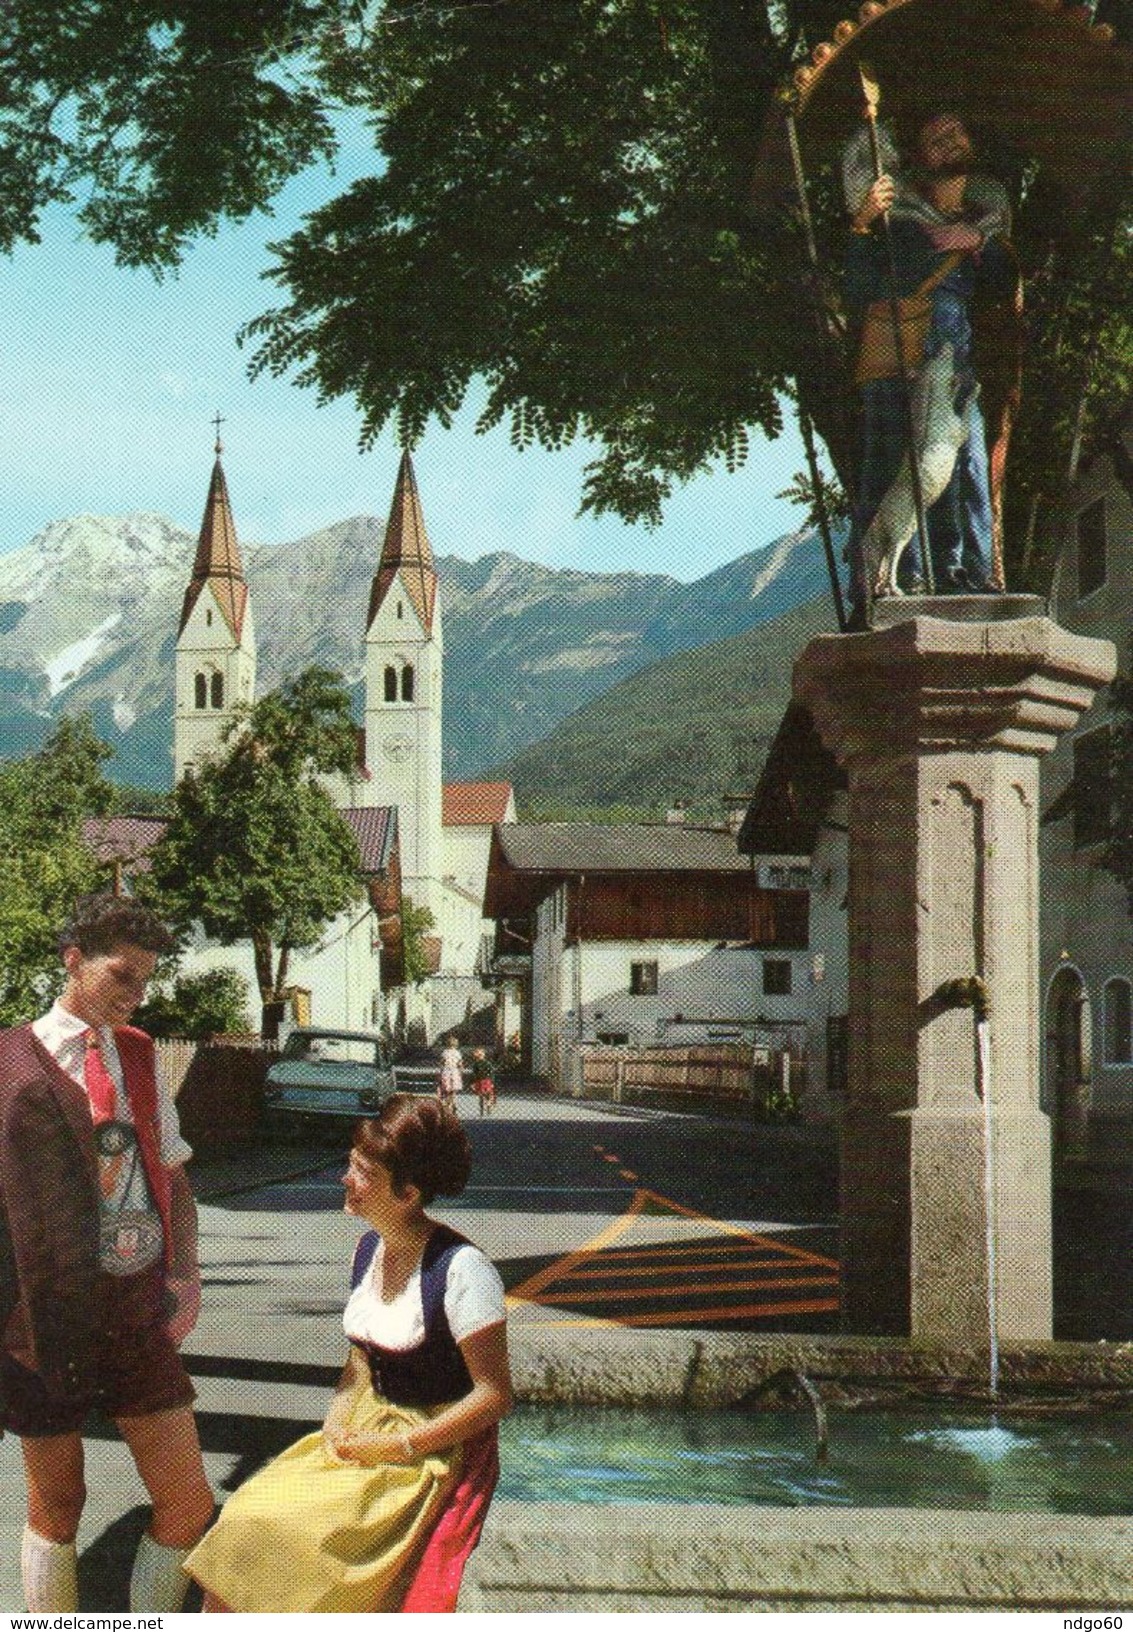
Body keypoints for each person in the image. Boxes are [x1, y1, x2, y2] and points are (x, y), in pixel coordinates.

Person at [185, 1095, 511, 1612]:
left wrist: (402, 1445)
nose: (345, 1179)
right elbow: (359, 1362)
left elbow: (494, 1397)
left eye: (363, 1172)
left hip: (431, 1448)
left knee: (299, 1538)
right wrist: (336, 1419)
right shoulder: (368, 1249)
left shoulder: (462, 1270)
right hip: (364, 1427)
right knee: (245, 1517)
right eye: (350, 1166)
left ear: (407, 1193)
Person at [0, 893, 213, 1612]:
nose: (136, 994)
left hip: (132, 1305)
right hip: (37, 1313)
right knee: (57, 1508)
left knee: (187, 1506)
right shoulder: (5, 1062)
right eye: (122, 975)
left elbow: (174, 1177)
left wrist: (185, 1274)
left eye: (146, 980)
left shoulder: (141, 1057)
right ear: (72, 962)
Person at [843, 110, 1022, 616]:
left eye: (955, 133)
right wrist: (860, 224)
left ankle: (967, 575)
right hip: (897, 359)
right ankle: (894, 579)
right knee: (891, 464)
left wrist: (981, 243)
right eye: (934, 137)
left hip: (954, 366)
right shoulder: (896, 221)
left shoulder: (984, 217)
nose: (947, 143)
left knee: (962, 467)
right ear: (919, 156)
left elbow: (1003, 289)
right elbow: (856, 290)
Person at [469, 1049, 496, 1116]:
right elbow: (491, 1073)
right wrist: (492, 1081)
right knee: (487, 1095)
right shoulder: (487, 1063)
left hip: (481, 1081)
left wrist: (472, 1082)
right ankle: (488, 1105)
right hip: (486, 1081)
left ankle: (483, 1109)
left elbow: (474, 1075)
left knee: (482, 1096)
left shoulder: (476, 1064)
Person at [438, 1035, 463, 1108]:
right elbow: (460, 1063)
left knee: (446, 1089)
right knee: (454, 1089)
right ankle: (453, 1102)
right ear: (456, 1044)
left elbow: (442, 1062)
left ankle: (447, 1104)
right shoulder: (457, 1053)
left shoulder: (444, 1052)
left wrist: (440, 1072)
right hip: (455, 1071)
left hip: (446, 1071)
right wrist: (461, 1071)